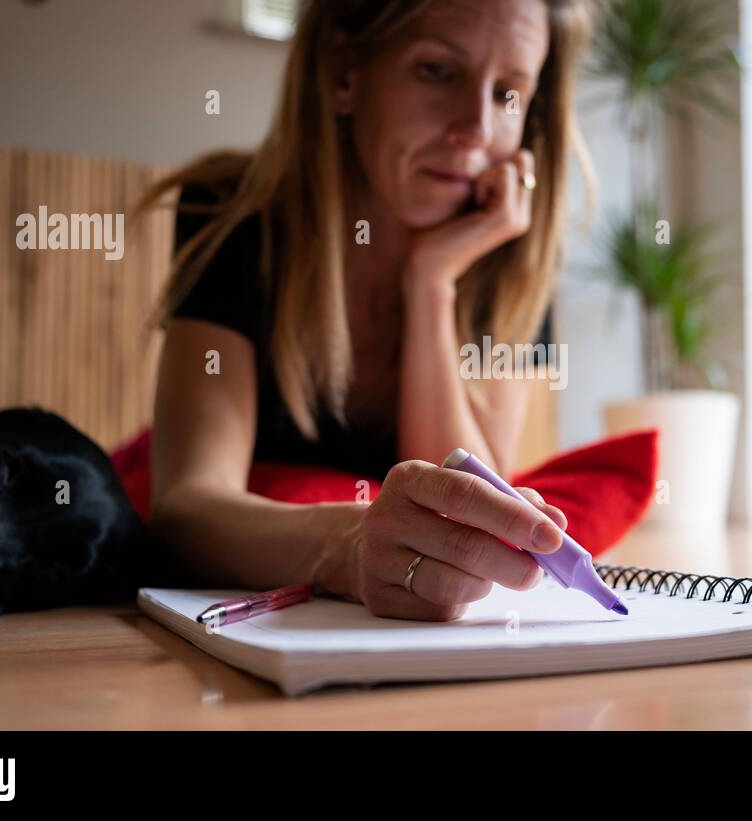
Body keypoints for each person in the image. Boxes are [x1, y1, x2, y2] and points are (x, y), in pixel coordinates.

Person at [141, 0, 596, 621]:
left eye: (508, 94)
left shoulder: (511, 260)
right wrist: (347, 547)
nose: (476, 131)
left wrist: (431, 282)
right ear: (344, 70)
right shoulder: (233, 215)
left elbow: (464, 511)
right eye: (437, 70)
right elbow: (187, 506)